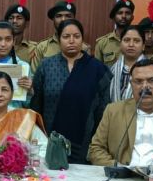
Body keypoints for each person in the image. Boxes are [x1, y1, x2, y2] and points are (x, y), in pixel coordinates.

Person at [30, 19, 111, 164]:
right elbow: (36, 106)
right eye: (66, 37)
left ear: (82, 39)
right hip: (50, 140)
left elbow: (103, 109)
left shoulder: (97, 69)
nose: (71, 41)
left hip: (86, 142)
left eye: (76, 36)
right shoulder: (46, 66)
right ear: (58, 39)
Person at [30, 0, 78, 69]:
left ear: (74, 19)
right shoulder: (42, 47)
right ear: (53, 19)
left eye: (68, 16)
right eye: (59, 16)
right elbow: (34, 74)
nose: (63, 19)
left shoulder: (83, 48)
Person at [108, 24, 146, 103]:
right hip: (113, 110)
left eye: (136, 41)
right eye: (126, 40)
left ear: (143, 46)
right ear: (120, 44)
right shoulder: (110, 71)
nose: (131, 44)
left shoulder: (151, 71)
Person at [94, 0, 134, 66]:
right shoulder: (102, 43)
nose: (124, 16)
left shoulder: (138, 42)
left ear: (132, 17)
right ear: (114, 17)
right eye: (120, 13)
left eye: (127, 13)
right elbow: (97, 70)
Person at [5, 0, 36, 65]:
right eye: (11, 18)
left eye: (19, 18)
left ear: (27, 24)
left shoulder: (33, 49)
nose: (14, 21)